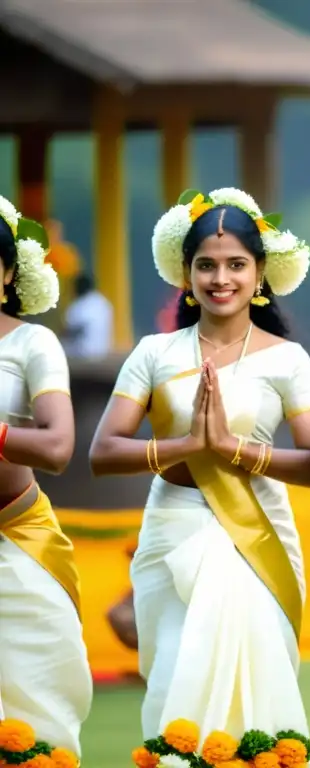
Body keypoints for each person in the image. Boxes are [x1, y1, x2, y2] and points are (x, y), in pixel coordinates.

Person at [89, 188, 310, 756]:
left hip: (255, 534)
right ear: (186, 273)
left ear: (260, 273)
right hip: (173, 527)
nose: (220, 278)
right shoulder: (155, 352)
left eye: (235, 265)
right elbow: (103, 452)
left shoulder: (287, 359)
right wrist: (186, 445)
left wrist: (231, 449)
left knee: (255, 679)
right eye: (206, 265)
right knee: (176, 675)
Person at [0, 196, 90, 762]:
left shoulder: (32, 343)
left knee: (42, 705)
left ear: (9, 273)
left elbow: (58, 446)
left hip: (19, 535)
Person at [61, 273, 114, 359]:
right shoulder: (103, 302)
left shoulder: (78, 304)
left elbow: (72, 331)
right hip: (102, 350)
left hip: (83, 352)